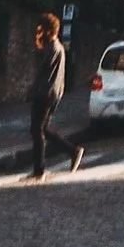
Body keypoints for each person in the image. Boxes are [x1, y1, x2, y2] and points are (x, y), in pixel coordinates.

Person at [26, 14, 84, 179]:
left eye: (40, 30)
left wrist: (32, 93)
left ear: (48, 31)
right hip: (52, 93)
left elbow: (42, 71)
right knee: (42, 129)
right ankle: (72, 151)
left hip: (45, 94)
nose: (38, 33)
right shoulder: (56, 47)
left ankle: (39, 170)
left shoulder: (52, 48)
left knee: (37, 130)